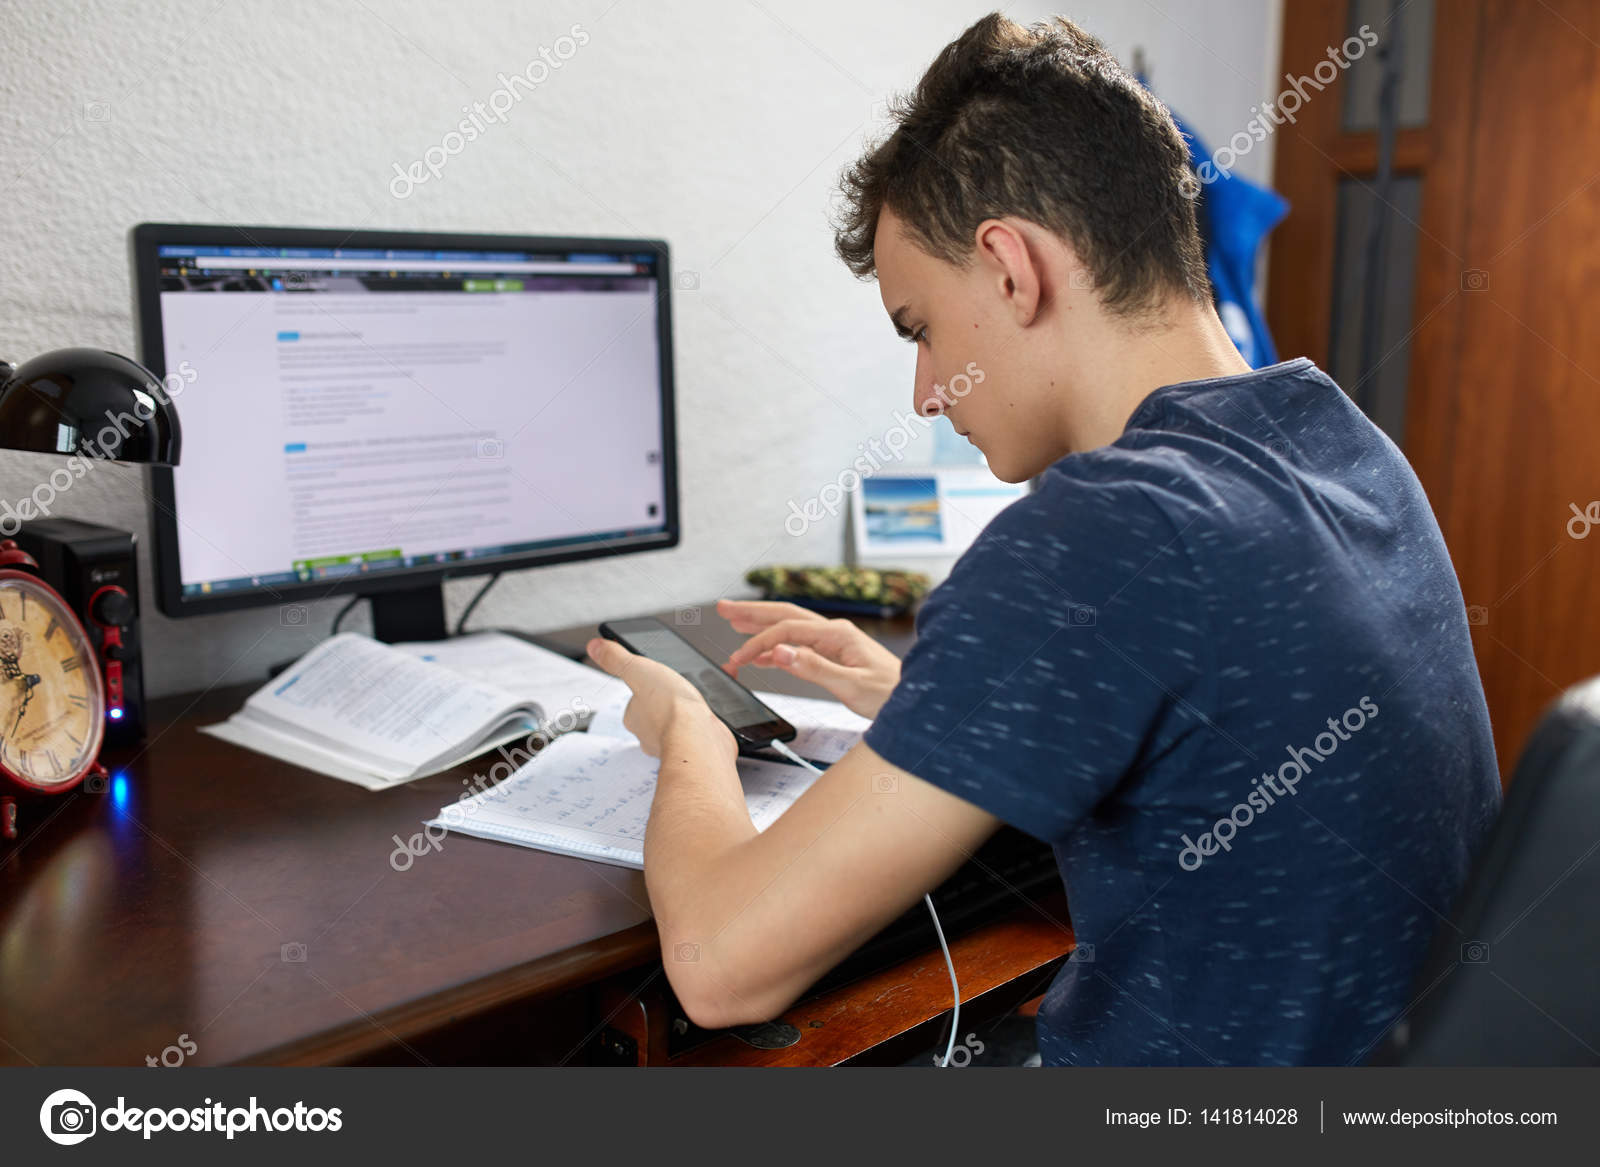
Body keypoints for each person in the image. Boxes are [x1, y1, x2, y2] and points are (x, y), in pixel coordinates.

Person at [584, 12, 1501, 1066]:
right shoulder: (1339, 444)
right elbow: (1228, 730)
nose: (926, 392)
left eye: (919, 326)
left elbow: (717, 965)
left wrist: (692, 733)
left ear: (1011, 268)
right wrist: (927, 706)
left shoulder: (1103, 528)